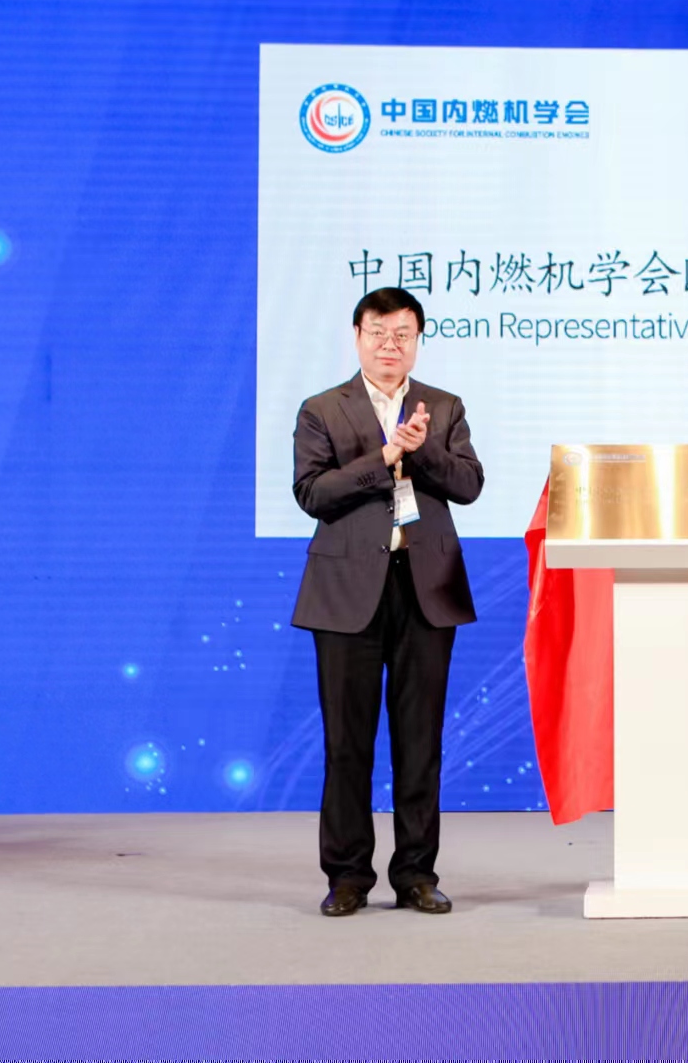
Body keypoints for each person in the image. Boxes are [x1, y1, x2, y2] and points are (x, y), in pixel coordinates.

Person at [290, 287, 484, 917]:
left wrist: (422, 449)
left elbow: (469, 485)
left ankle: (416, 874)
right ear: (357, 337)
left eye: (403, 334)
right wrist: (385, 456)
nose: (389, 345)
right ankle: (347, 876)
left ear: (418, 341)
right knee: (347, 742)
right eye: (378, 333)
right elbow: (313, 493)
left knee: (420, 741)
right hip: (346, 593)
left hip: (424, 589)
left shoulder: (444, 407)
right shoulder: (322, 409)